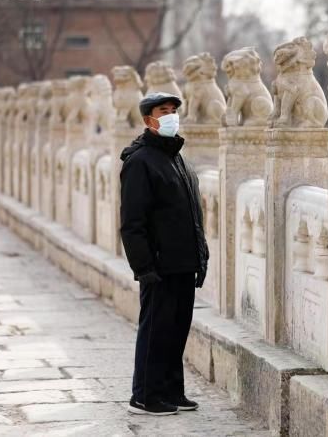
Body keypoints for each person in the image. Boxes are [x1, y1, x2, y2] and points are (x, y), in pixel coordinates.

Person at [119, 92, 209, 416]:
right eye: (163, 111)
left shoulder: (178, 158)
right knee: (156, 329)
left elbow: (192, 213)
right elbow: (132, 222)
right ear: (148, 120)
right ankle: (144, 396)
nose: (171, 115)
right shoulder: (140, 161)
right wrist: (143, 266)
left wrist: (202, 256)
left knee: (176, 330)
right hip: (159, 264)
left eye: (173, 110)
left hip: (184, 261)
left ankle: (172, 390)